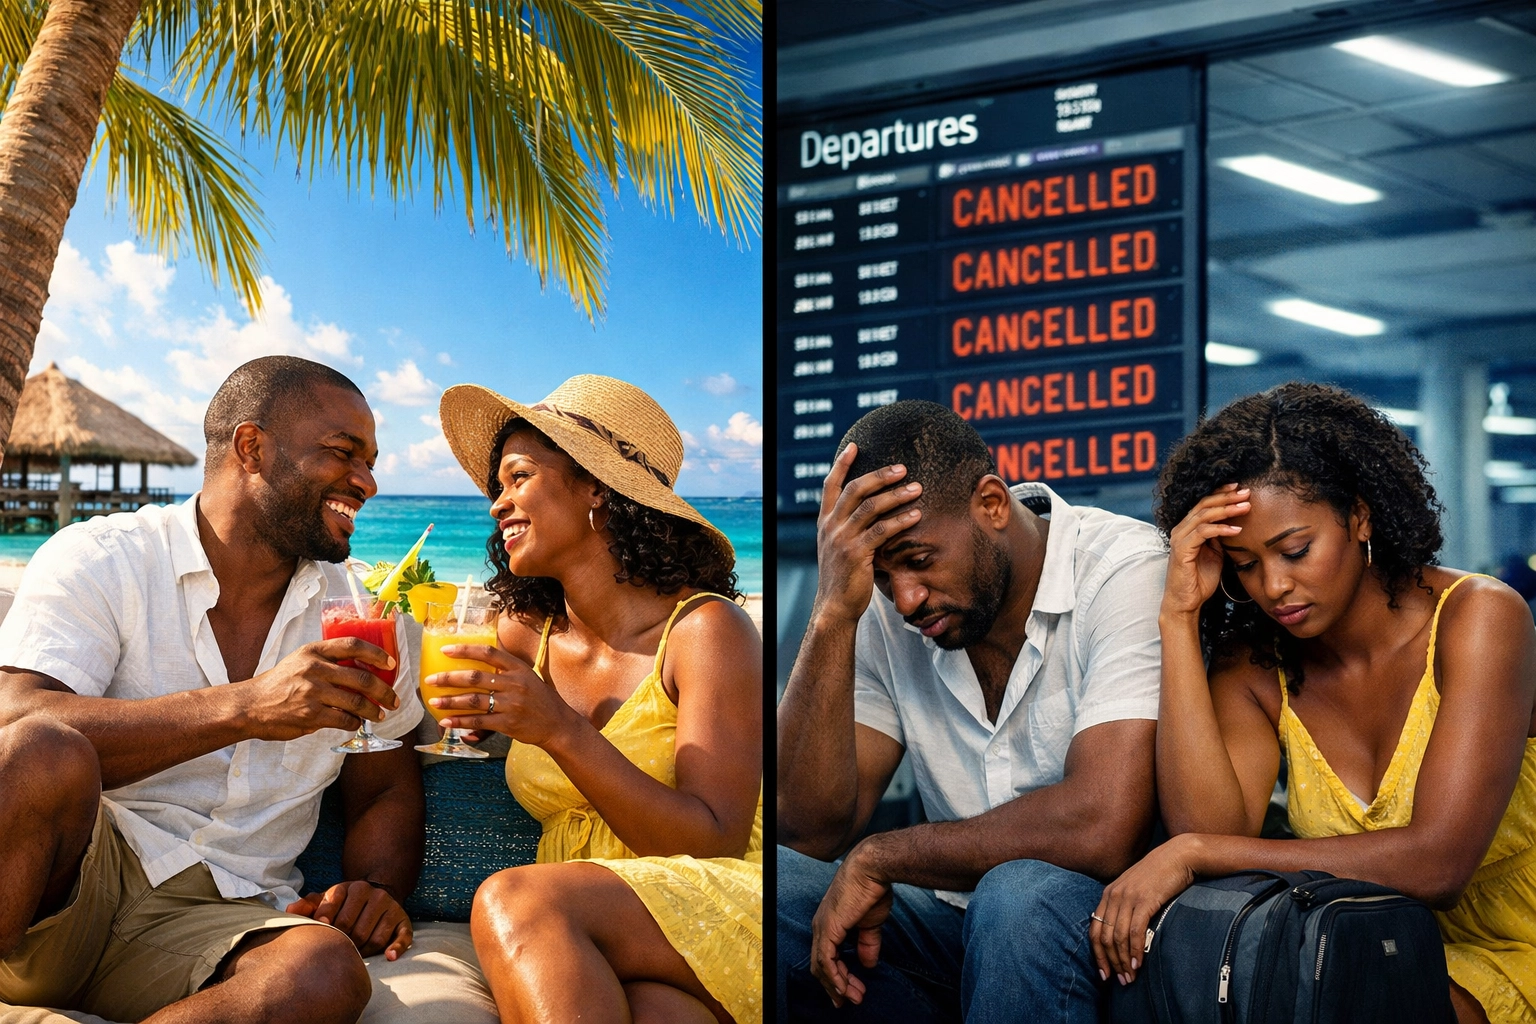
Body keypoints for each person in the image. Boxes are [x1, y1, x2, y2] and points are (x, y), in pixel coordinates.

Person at [1090, 383, 1536, 1024]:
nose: (1274, 586)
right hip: (1361, 959)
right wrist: (1179, 617)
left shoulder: (1479, 617)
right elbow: (1209, 825)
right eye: (1243, 565)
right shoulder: (1255, 666)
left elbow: (1439, 864)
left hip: (1508, 950)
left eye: (1295, 551)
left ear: (1358, 517)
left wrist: (1196, 854)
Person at [0, 356, 424, 1024]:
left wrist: (376, 888)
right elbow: (15, 725)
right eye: (344, 454)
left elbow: (386, 782)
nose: (366, 482)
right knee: (40, 748)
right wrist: (247, 707)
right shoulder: (104, 558)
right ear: (250, 447)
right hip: (64, 887)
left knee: (323, 972)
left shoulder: (366, 618)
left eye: (370, 461)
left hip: (219, 925)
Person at [778, 399, 1169, 1023]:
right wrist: (832, 612)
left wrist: (884, 856)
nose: (905, 599)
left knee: (1017, 897)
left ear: (991, 504)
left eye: (919, 560)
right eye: (881, 576)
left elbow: (1103, 825)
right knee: (772, 887)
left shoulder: (1124, 569)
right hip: (949, 926)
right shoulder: (883, 611)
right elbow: (807, 828)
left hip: (1110, 927)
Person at [425, 375, 762, 1024]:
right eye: (499, 485)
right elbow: (450, 696)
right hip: (595, 937)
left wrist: (558, 729)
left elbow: (714, 841)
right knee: (658, 1015)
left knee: (512, 901)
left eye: (519, 477)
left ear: (597, 487)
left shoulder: (705, 632)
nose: (498, 504)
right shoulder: (525, 634)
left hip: (713, 899)